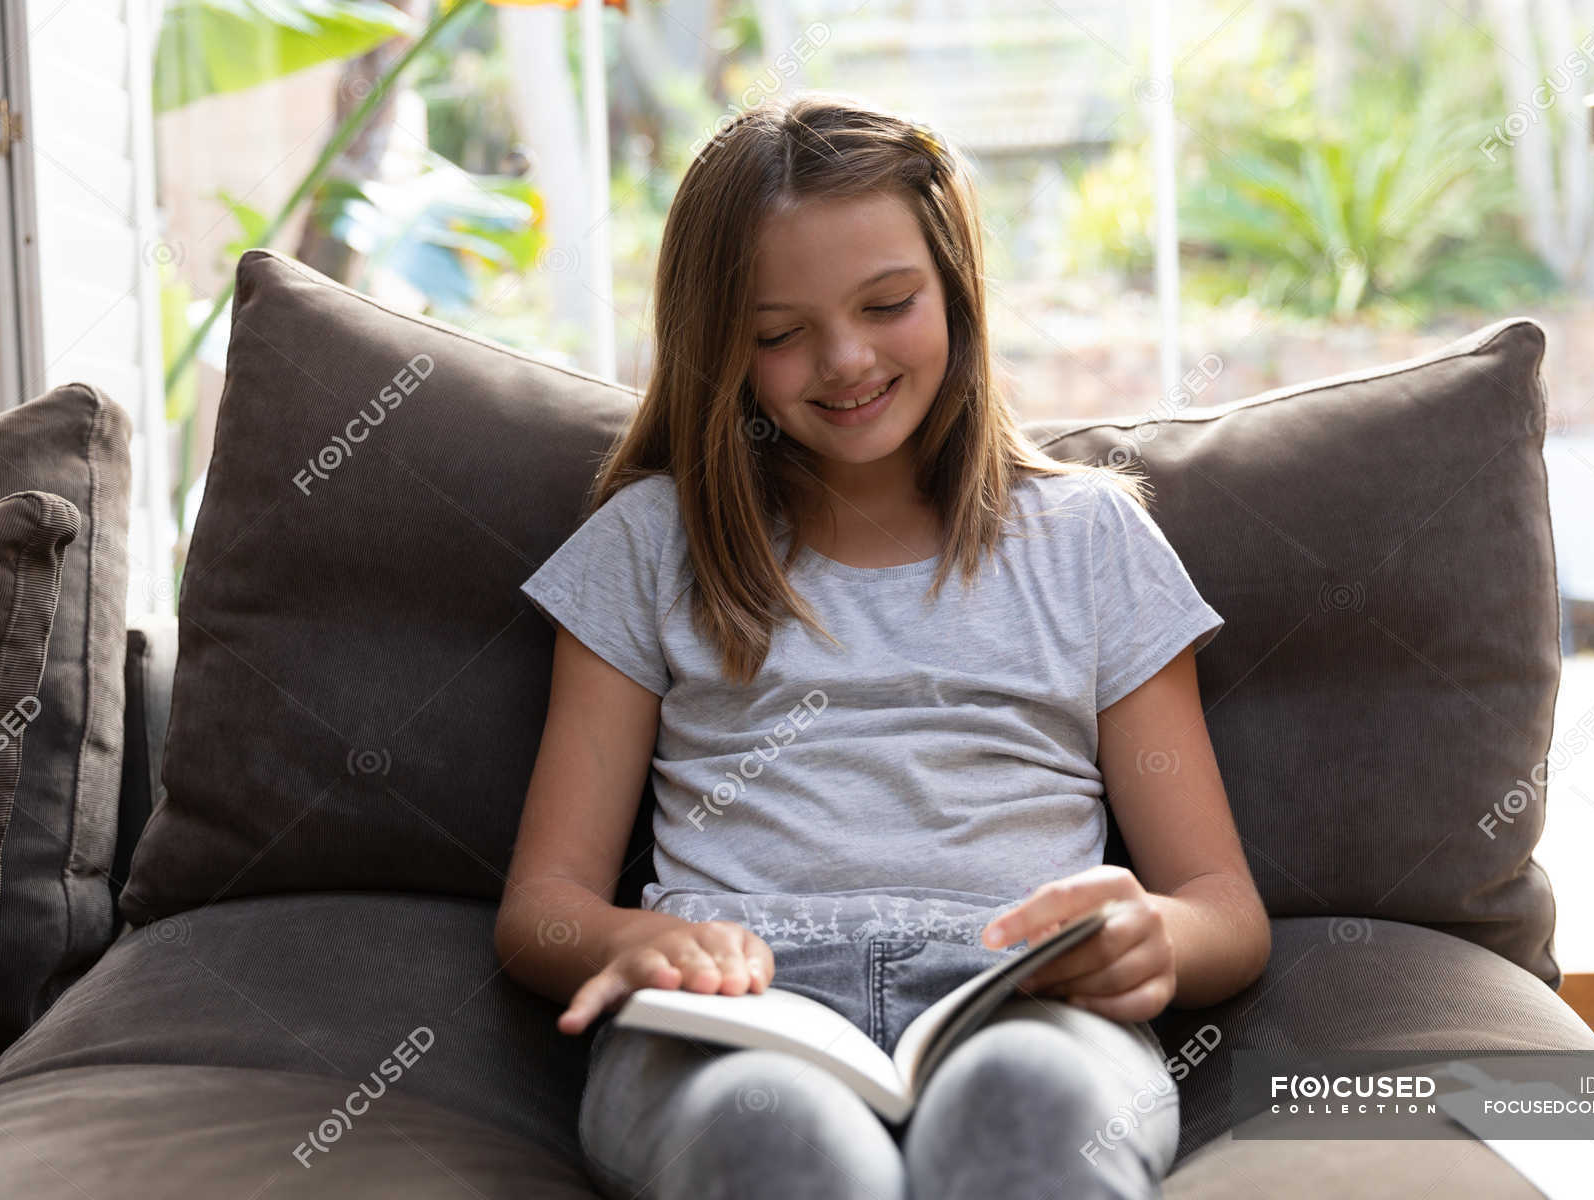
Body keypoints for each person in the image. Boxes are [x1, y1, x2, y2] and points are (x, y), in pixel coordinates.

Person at [493, 90, 1271, 1200]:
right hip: (736, 1011)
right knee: (784, 1144)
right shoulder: (647, 545)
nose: (845, 360)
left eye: (889, 302)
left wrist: (1153, 935)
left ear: (954, 286)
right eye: (778, 335)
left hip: (1021, 996)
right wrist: (626, 943)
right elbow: (543, 909)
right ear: (720, 348)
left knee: (1031, 1114)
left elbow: (1221, 907)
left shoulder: (1091, 538)